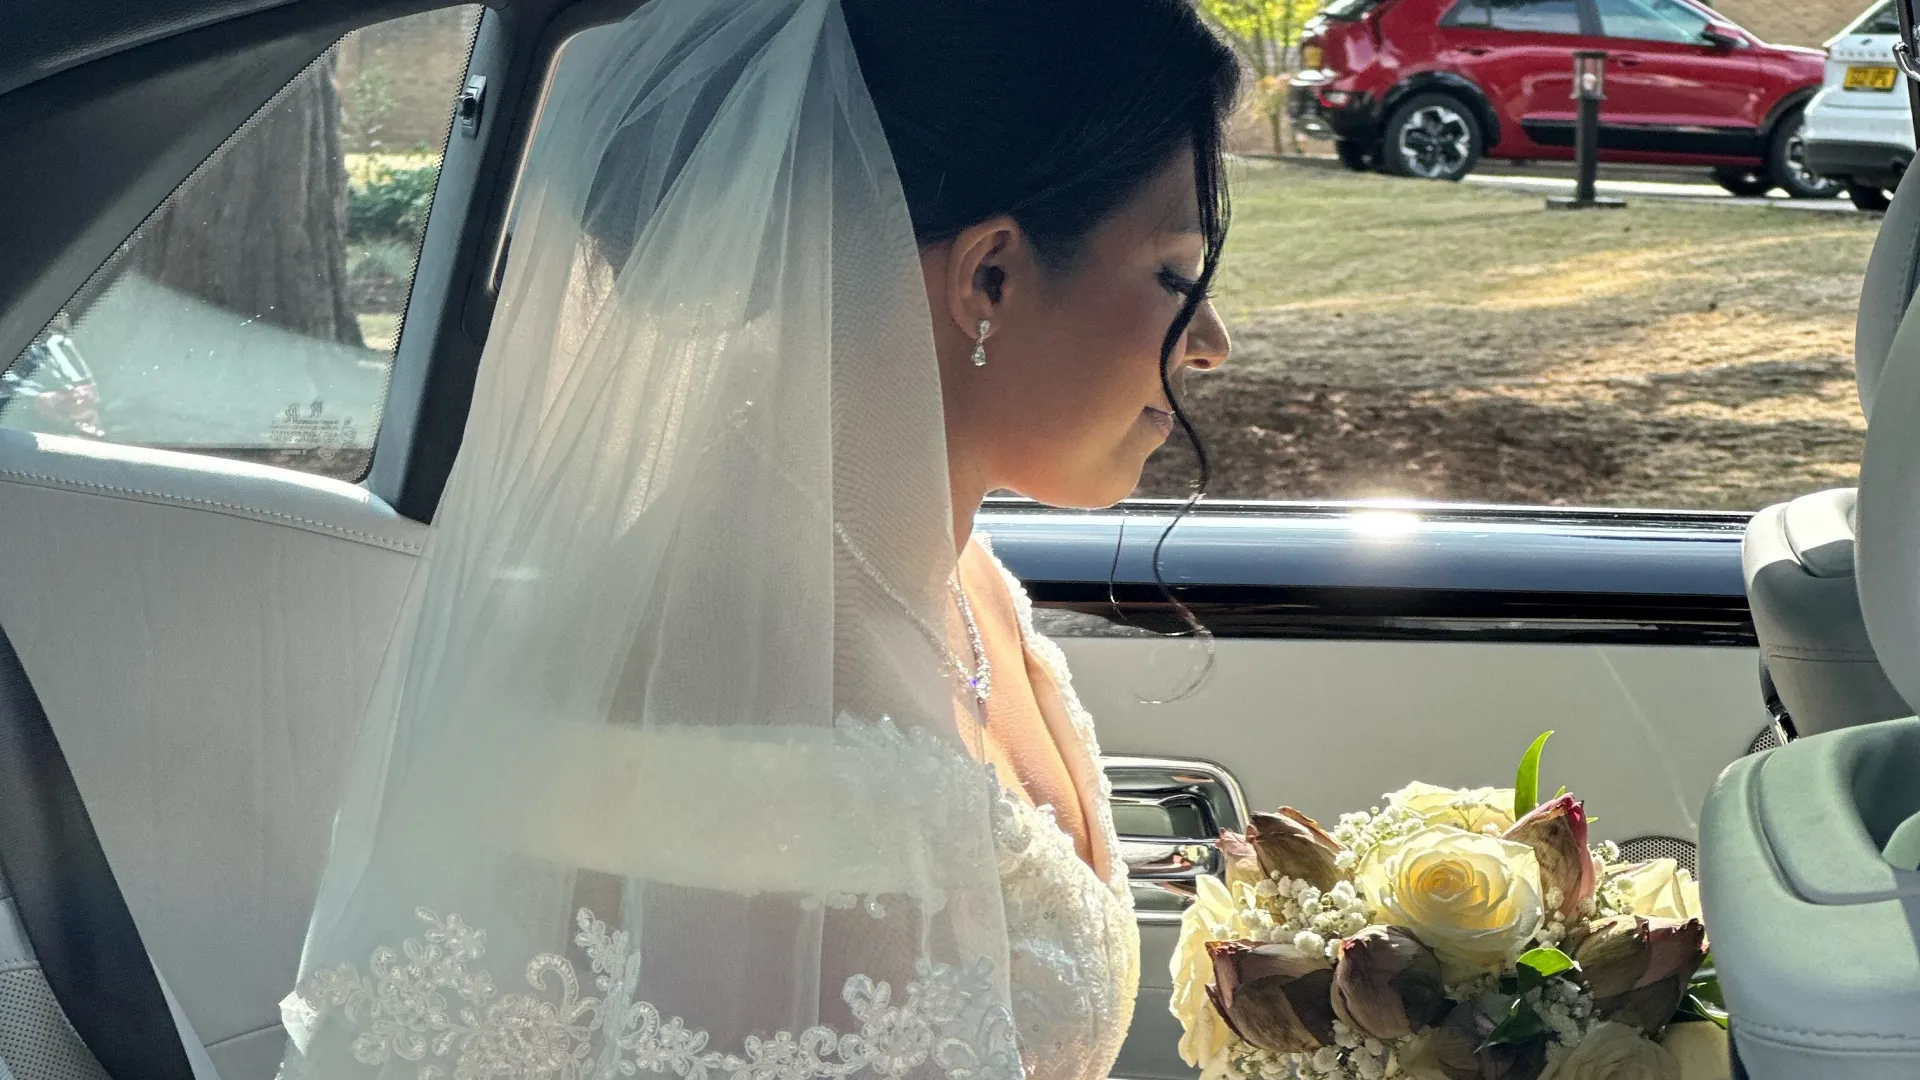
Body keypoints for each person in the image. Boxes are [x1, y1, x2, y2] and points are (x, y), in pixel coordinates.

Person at [277, 1, 1234, 1077]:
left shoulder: (959, 577)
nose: (1211, 343)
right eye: (1175, 276)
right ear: (991, 278)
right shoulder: (760, 688)